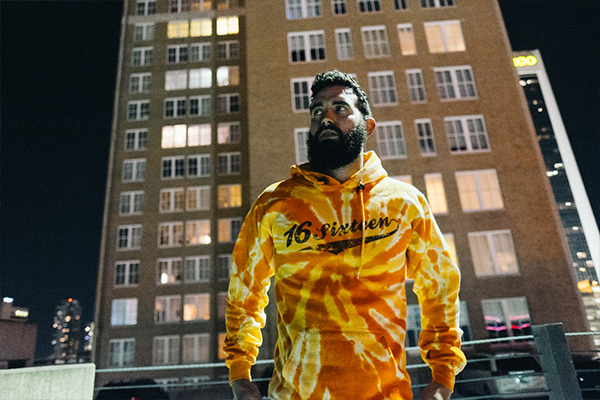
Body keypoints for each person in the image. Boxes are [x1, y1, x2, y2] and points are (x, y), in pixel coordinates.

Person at [224, 70, 466, 400]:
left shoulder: (405, 202)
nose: (326, 118)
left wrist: (444, 375)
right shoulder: (275, 204)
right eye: (317, 111)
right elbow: (244, 290)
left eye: (340, 108)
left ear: (368, 125)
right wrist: (239, 373)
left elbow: (440, 285)